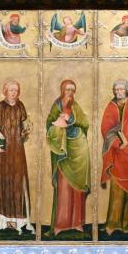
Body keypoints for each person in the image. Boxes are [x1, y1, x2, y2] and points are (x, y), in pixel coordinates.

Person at [0, 79, 33, 233]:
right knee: (4, 183)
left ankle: (19, 222)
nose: (14, 93)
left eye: (16, 90)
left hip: (18, 151)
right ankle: (4, 221)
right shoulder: (0, 107)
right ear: (5, 91)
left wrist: (26, 132)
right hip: (4, 153)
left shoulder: (20, 106)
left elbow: (24, 126)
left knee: (18, 182)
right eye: (11, 90)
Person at [45, 80, 90, 235]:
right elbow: (49, 125)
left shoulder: (75, 106)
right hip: (63, 151)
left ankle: (77, 223)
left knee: (77, 189)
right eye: (67, 89)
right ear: (62, 90)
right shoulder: (56, 106)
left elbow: (85, 123)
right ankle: (60, 224)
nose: (70, 93)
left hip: (78, 148)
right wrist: (58, 123)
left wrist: (70, 119)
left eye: (72, 90)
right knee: (64, 187)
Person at [100, 79, 128, 235]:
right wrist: (119, 143)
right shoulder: (111, 107)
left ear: (127, 90)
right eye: (116, 89)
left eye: (121, 89)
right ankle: (114, 223)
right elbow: (106, 130)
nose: (118, 91)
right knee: (118, 190)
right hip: (119, 155)